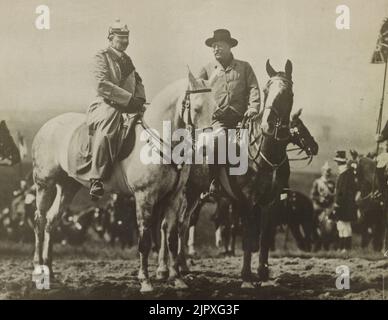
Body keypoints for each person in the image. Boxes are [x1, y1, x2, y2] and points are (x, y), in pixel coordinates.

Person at [87, 19, 146, 200]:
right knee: (107, 130)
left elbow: (138, 80)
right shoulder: (102, 57)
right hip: (106, 104)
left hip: (128, 106)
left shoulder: (127, 60)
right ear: (111, 38)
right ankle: (96, 178)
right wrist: (128, 100)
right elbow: (101, 84)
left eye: (127, 37)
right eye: (121, 37)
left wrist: (140, 99)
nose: (125, 41)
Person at [198, 29, 261, 196]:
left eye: (219, 46)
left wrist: (253, 106)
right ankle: (214, 182)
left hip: (243, 119)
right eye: (213, 47)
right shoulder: (206, 69)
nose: (215, 49)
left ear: (229, 47)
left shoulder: (244, 67)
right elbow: (197, 92)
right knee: (218, 140)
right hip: (217, 120)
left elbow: (254, 88)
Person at [332, 151, 357, 252]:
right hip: (341, 203)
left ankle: (346, 247)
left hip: (345, 204)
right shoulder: (343, 173)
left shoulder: (346, 174)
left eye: (338, 162)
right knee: (340, 225)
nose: (337, 164)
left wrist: (338, 202)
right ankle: (342, 246)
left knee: (345, 225)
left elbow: (344, 191)